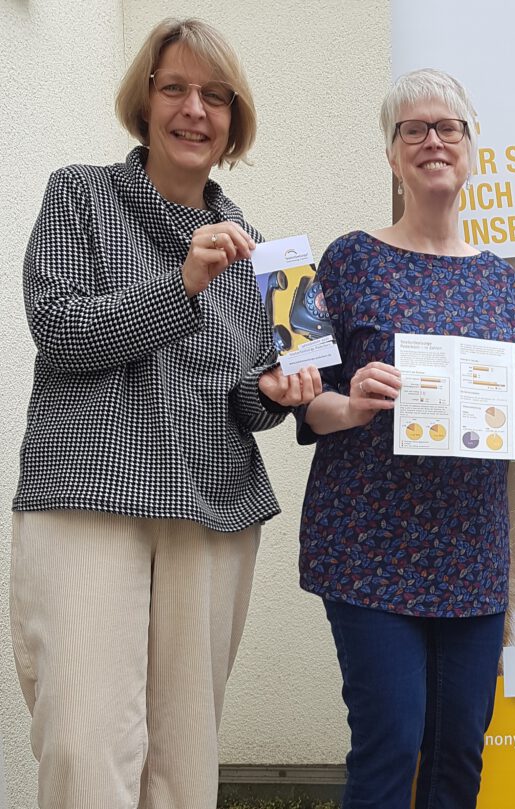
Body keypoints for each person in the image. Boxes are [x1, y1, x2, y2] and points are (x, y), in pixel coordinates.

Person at [10, 18, 320, 809]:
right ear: (143, 102)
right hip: (89, 496)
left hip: (211, 508)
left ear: (233, 122)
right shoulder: (79, 193)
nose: (195, 110)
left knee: (184, 764)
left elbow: (244, 392)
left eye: (216, 97)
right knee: (83, 747)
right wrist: (180, 282)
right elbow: (63, 330)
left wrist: (275, 395)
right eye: (175, 88)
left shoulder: (256, 247)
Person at [296, 68, 515, 809]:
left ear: (470, 148)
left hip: (471, 555)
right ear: (393, 155)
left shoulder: (500, 281)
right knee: (389, 748)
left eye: (448, 127)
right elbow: (305, 406)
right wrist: (351, 402)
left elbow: (512, 414)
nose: (433, 140)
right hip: (368, 547)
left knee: (460, 756)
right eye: (413, 129)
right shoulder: (347, 259)